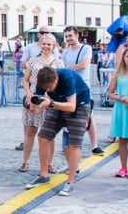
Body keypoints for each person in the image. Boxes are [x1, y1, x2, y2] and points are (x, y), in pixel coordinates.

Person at [25, 66, 92, 197]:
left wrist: (51, 103)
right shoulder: (42, 82)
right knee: (43, 136)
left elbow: (72, 106)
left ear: (56, 78)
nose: (48, 90)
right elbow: (39, 107)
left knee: (74, 143)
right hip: (58, 104)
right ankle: (43, 175)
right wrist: (33, 107)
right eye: (46, 88)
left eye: (50, 87)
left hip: (79, 105)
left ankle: (70, 182)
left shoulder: (68, 78)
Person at [18, 33, 59, 173]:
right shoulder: (33, 61)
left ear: (53, 46)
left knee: (50, 133)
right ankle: (25, 161)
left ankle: (50, 162)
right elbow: (25, 79)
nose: (46, 46)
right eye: (44, 43)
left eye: (49, 44)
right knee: (30, 131)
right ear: (40, 45)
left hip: (49, 98)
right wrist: (29, 94)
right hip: (34, 97)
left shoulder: (57, 62)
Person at [60, 26, 103, 155]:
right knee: (68, 114)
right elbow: (63, 67)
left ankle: (94, 145)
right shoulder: (65, 52)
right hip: (70, 87)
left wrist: (67, 69)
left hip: (83, 86)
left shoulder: (86, 48)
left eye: (70, 36)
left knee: (88, 116)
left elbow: (84, 65)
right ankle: (69, 144)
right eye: (66, 36)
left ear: (77, 35)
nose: (68, 39)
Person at [108, 46, 128, 177]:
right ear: (123, 58)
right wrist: (120, 98)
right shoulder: (118, 73)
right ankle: (123, 167)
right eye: (127, 56)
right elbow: (110, 93)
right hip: (121, 108)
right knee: (122, 139)